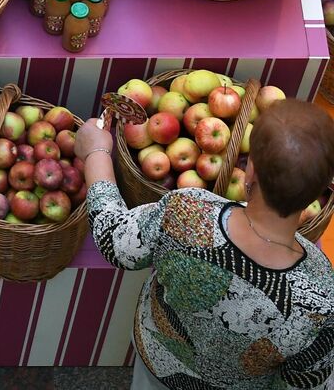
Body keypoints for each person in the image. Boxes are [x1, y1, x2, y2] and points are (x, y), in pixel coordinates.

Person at [76, 98, 334, 390]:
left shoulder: (188, 212)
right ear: (321, 189)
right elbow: (308, 380)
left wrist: (95, 152)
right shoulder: (322, 290)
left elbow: (117, 243)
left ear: (249, 172)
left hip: (159, 364)